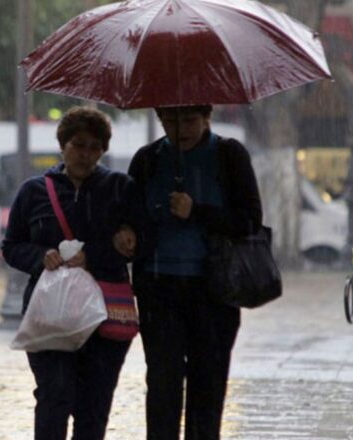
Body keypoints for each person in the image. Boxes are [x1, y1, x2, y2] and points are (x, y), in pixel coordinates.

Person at [2, 106, 144, 440]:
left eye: (95, 147)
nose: (86, 154)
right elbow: (11, 246)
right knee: (54, 395)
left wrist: (93, 254)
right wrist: (41, 256)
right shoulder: (34, 191)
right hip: (49, 313)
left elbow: (139, 243)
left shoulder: (120, 188)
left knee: (93, 405)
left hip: (105, 314)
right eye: (78, 145)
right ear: (63, 144)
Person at [127, 105, 263, 440]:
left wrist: (197, 211)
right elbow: (128, 214)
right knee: (162, 384)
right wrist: (128, 234)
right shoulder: (146, 160)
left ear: (206, 118)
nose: (180, 129)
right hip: (159, 290)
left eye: (189, 120)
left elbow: (249, 222)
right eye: (170, 121)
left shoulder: (229, 156)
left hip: (214, 291)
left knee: (208, 385)